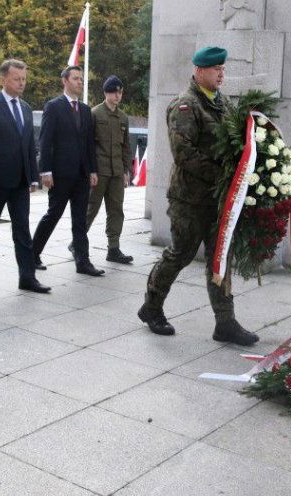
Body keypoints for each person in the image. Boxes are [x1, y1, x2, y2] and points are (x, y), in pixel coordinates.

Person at [137, 46, 258, 346]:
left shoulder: (223, 105)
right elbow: (184, 154)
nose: (221, 74)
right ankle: (151, 307)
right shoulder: (185, 106)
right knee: (181, 253)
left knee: (220, 258)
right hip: (189, 200)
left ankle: (225, 322)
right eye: (216, 69)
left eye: (223, 69)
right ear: (199, 70)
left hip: (218, 200)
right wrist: (224, 177)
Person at [0, 59, 49, 293]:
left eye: (24, 79)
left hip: (21, 181)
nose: (21, 83)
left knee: (22, 229)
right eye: (16, 79)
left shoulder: (25, 108)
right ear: (3, 79)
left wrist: (33, 176)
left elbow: (29, 144)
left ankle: (27, 277)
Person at [31, 66, 105, 277]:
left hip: (82, 175)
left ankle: (83, 261)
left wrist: (92, 169)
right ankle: (33, 254)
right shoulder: (53, 107)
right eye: (76, 78)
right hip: (60, 174)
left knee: (80, 220)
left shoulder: (84, 109)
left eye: (81, 79)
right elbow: (45, 140)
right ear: (65, 81)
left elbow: (89, 142)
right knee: (53, 214)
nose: (80, 82)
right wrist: (45, 171)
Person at [86, 75, 133, 264]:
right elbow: (88, 144)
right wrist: (91, 170)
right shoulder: (95, 113)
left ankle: (113, 249)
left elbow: (126, 146)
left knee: (116, 211)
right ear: (106, 92)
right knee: (91, 209)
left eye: (120, 92)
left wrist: (126, 170)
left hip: (116, 172)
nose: (118, 95)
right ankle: (77, 241)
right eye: (114, 91)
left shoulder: (123, 117)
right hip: (99, 171)